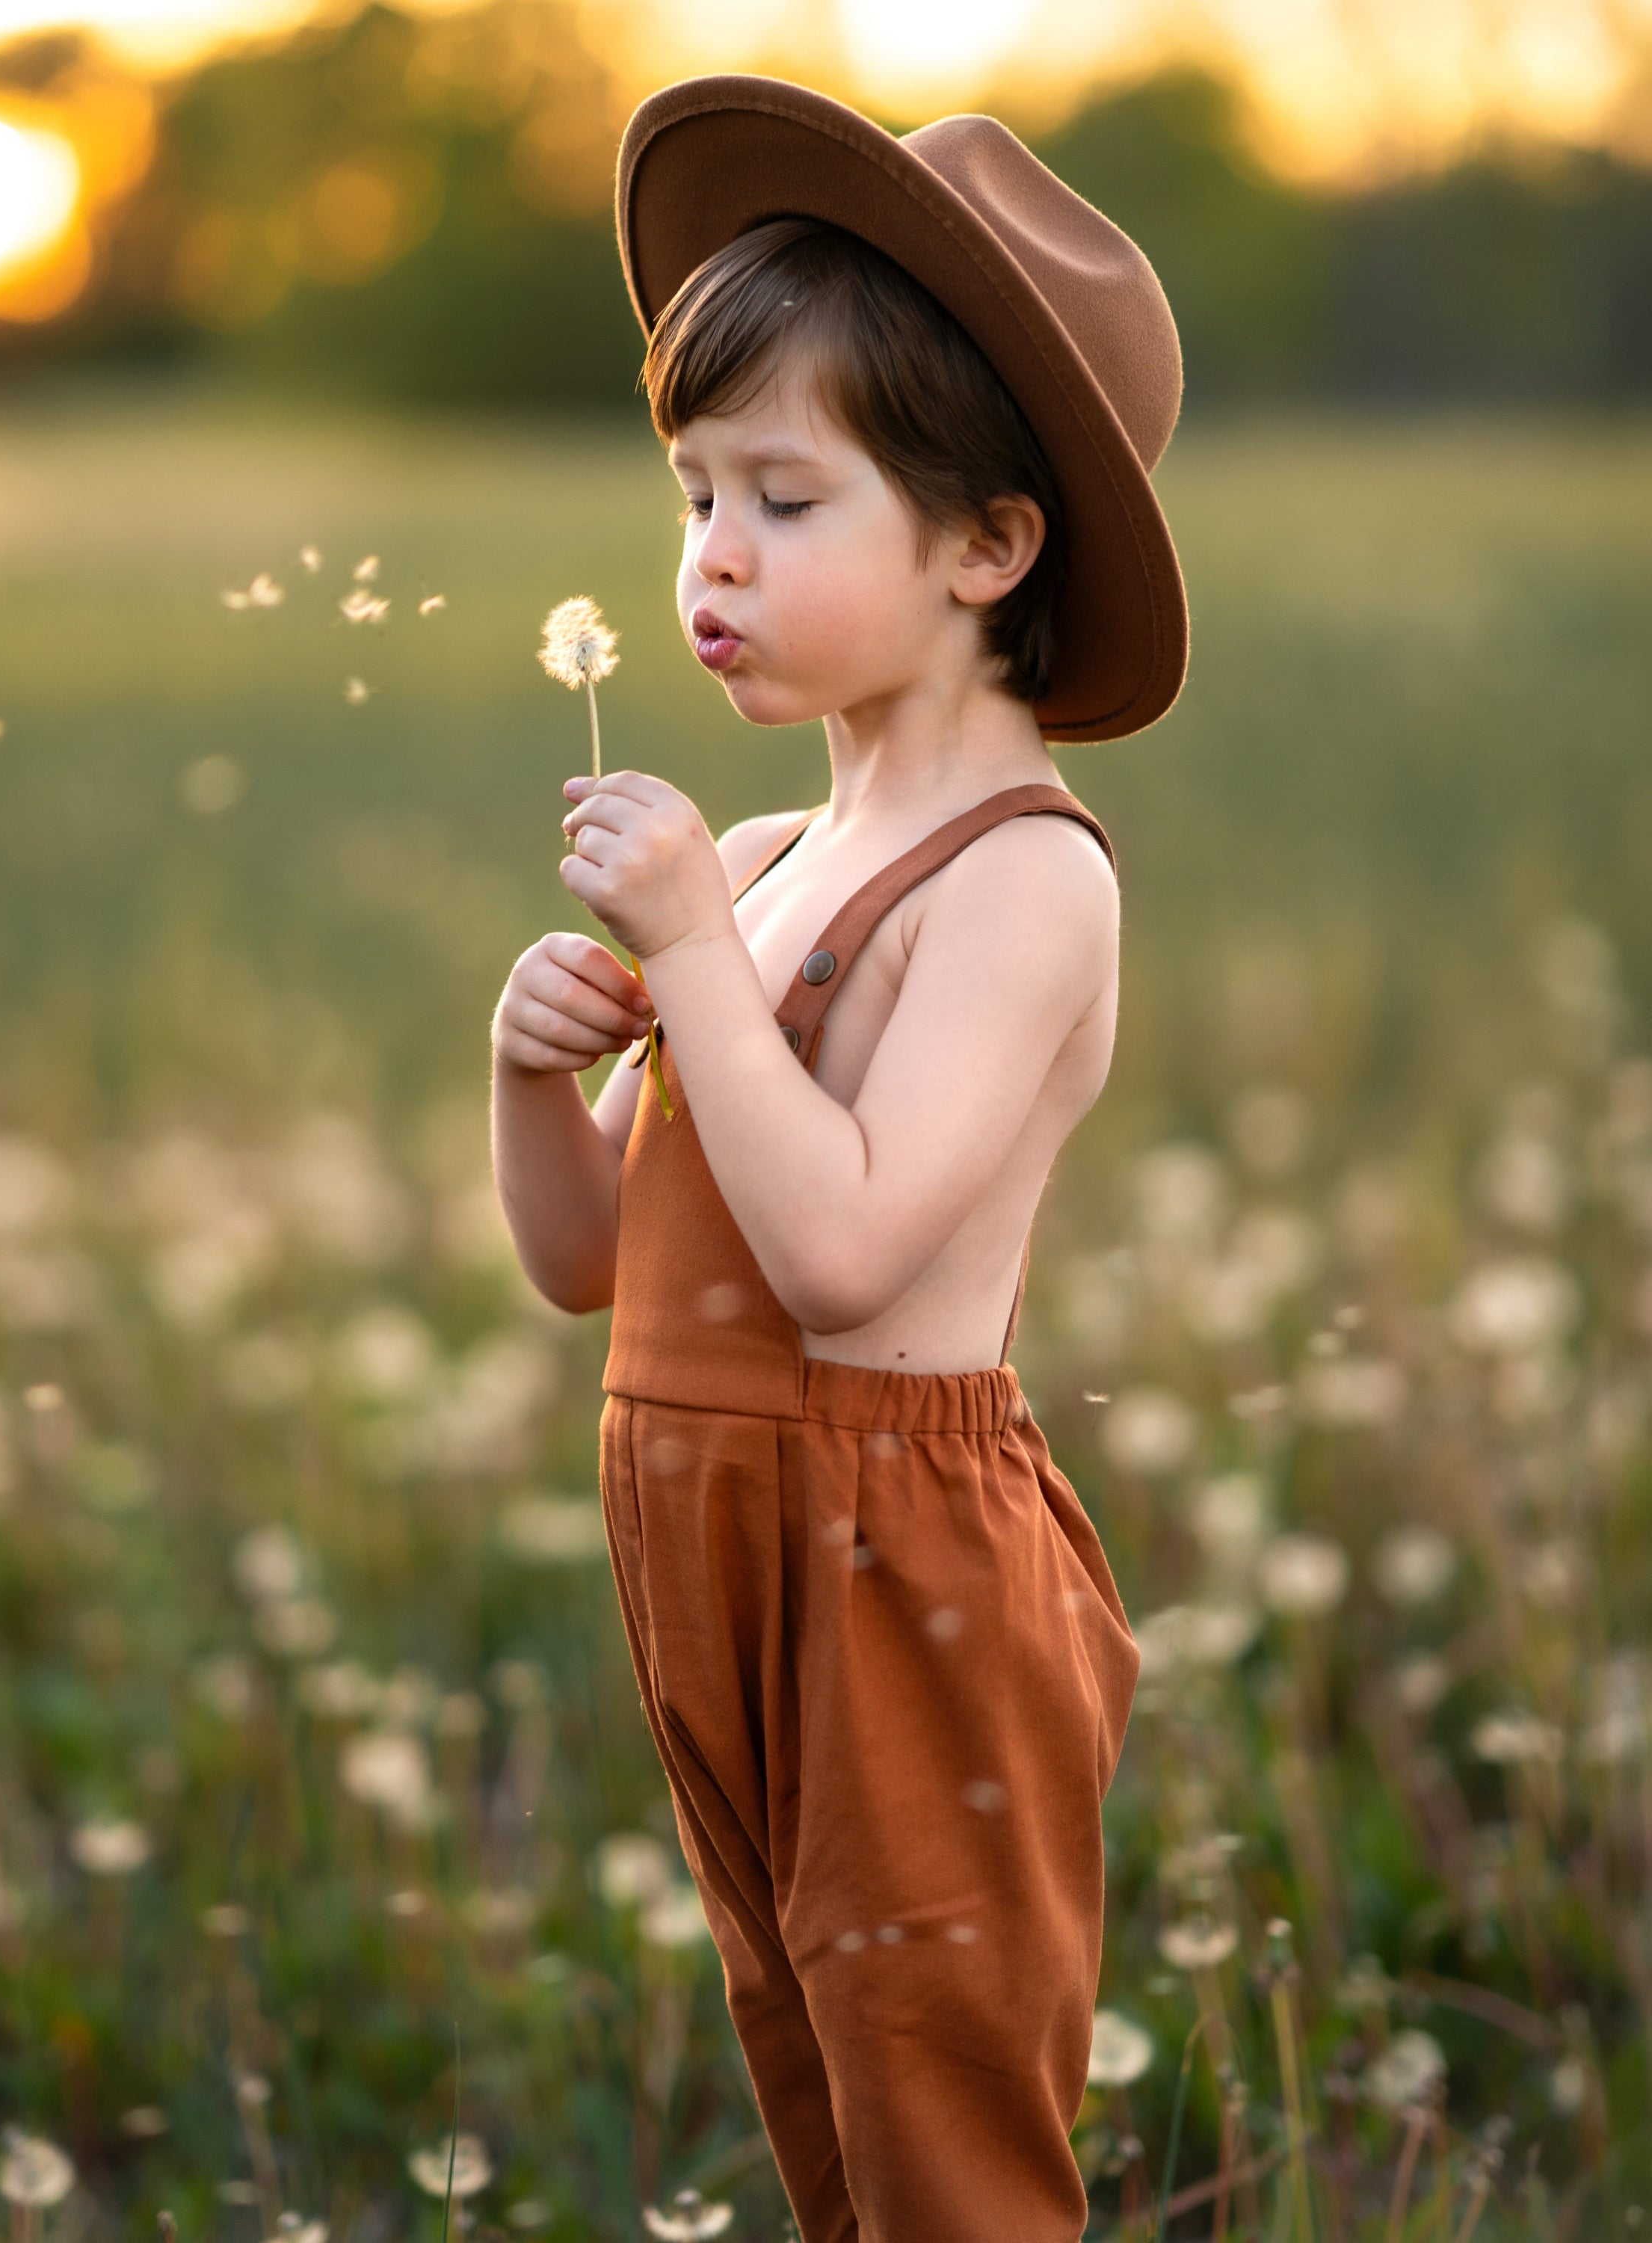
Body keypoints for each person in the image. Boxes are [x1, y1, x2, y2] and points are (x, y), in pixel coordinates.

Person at [488, 75, 1190, 2242]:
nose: (709, 556)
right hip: (706, 1535)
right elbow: (595, 1266)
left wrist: (694, 949)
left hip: (902, 1570)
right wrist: (530, 1082)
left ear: (988, 546)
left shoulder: (1020, 885)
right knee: (811, 2082)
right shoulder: (781, 853)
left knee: (940, 2113)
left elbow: (849, 1255)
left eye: (783, 497)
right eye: (694, 493)